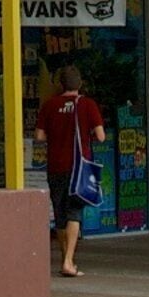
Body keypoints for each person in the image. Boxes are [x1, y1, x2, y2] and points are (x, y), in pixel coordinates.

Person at [37, 64, 108, 278]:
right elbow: (101, 135)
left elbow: (39, 137)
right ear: (80, 84)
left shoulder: (49, 106)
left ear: (60, 84)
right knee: (74, 212)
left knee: (59, 214)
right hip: (80, 166)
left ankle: (64, 258)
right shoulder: (87, 105)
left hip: (55, 166)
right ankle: (69, 261)